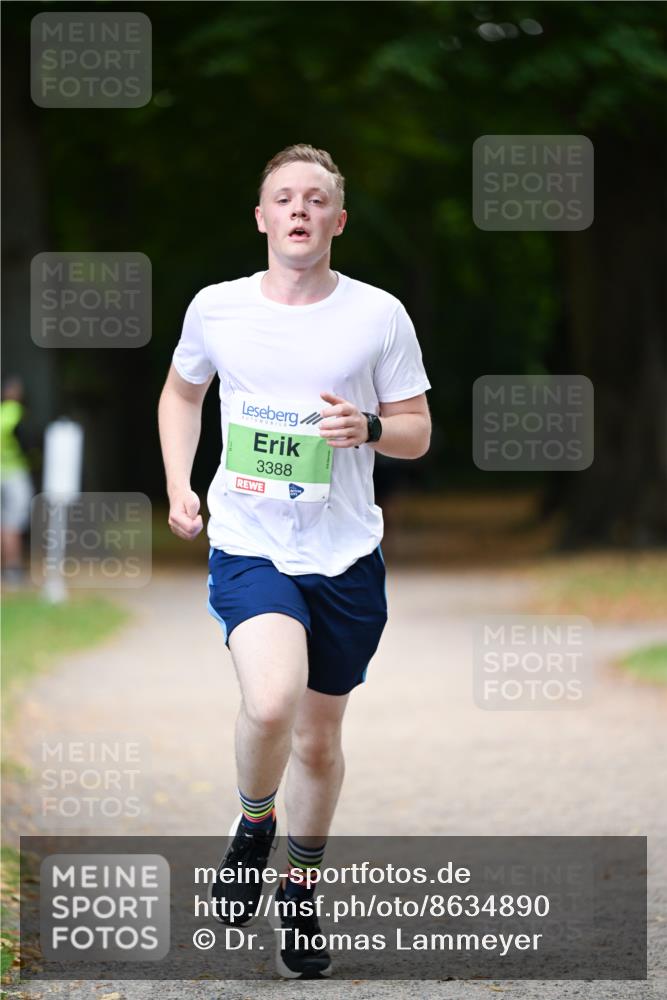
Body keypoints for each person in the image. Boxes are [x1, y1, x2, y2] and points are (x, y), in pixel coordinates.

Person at [157, 144, 431, 979]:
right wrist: (179, 485)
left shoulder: (378, 314)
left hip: (345, 552)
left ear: (337, 221)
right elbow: (181, 393)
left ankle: (302, 894)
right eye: (285, 198)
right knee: (270, 703)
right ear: (263, 217)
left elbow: (416, 430)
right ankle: (252, 825)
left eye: (317, 199)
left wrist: (371, 430)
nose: (301, 210)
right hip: (250, 541)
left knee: (318, 741)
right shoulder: (218, 308)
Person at [1, 376, 34, 587]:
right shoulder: (16, 414)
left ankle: (7, 567)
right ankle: (13, 567)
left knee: (4, 521)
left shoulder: (2, 412)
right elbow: (26, 442)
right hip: (14, 473)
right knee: (14, 522)